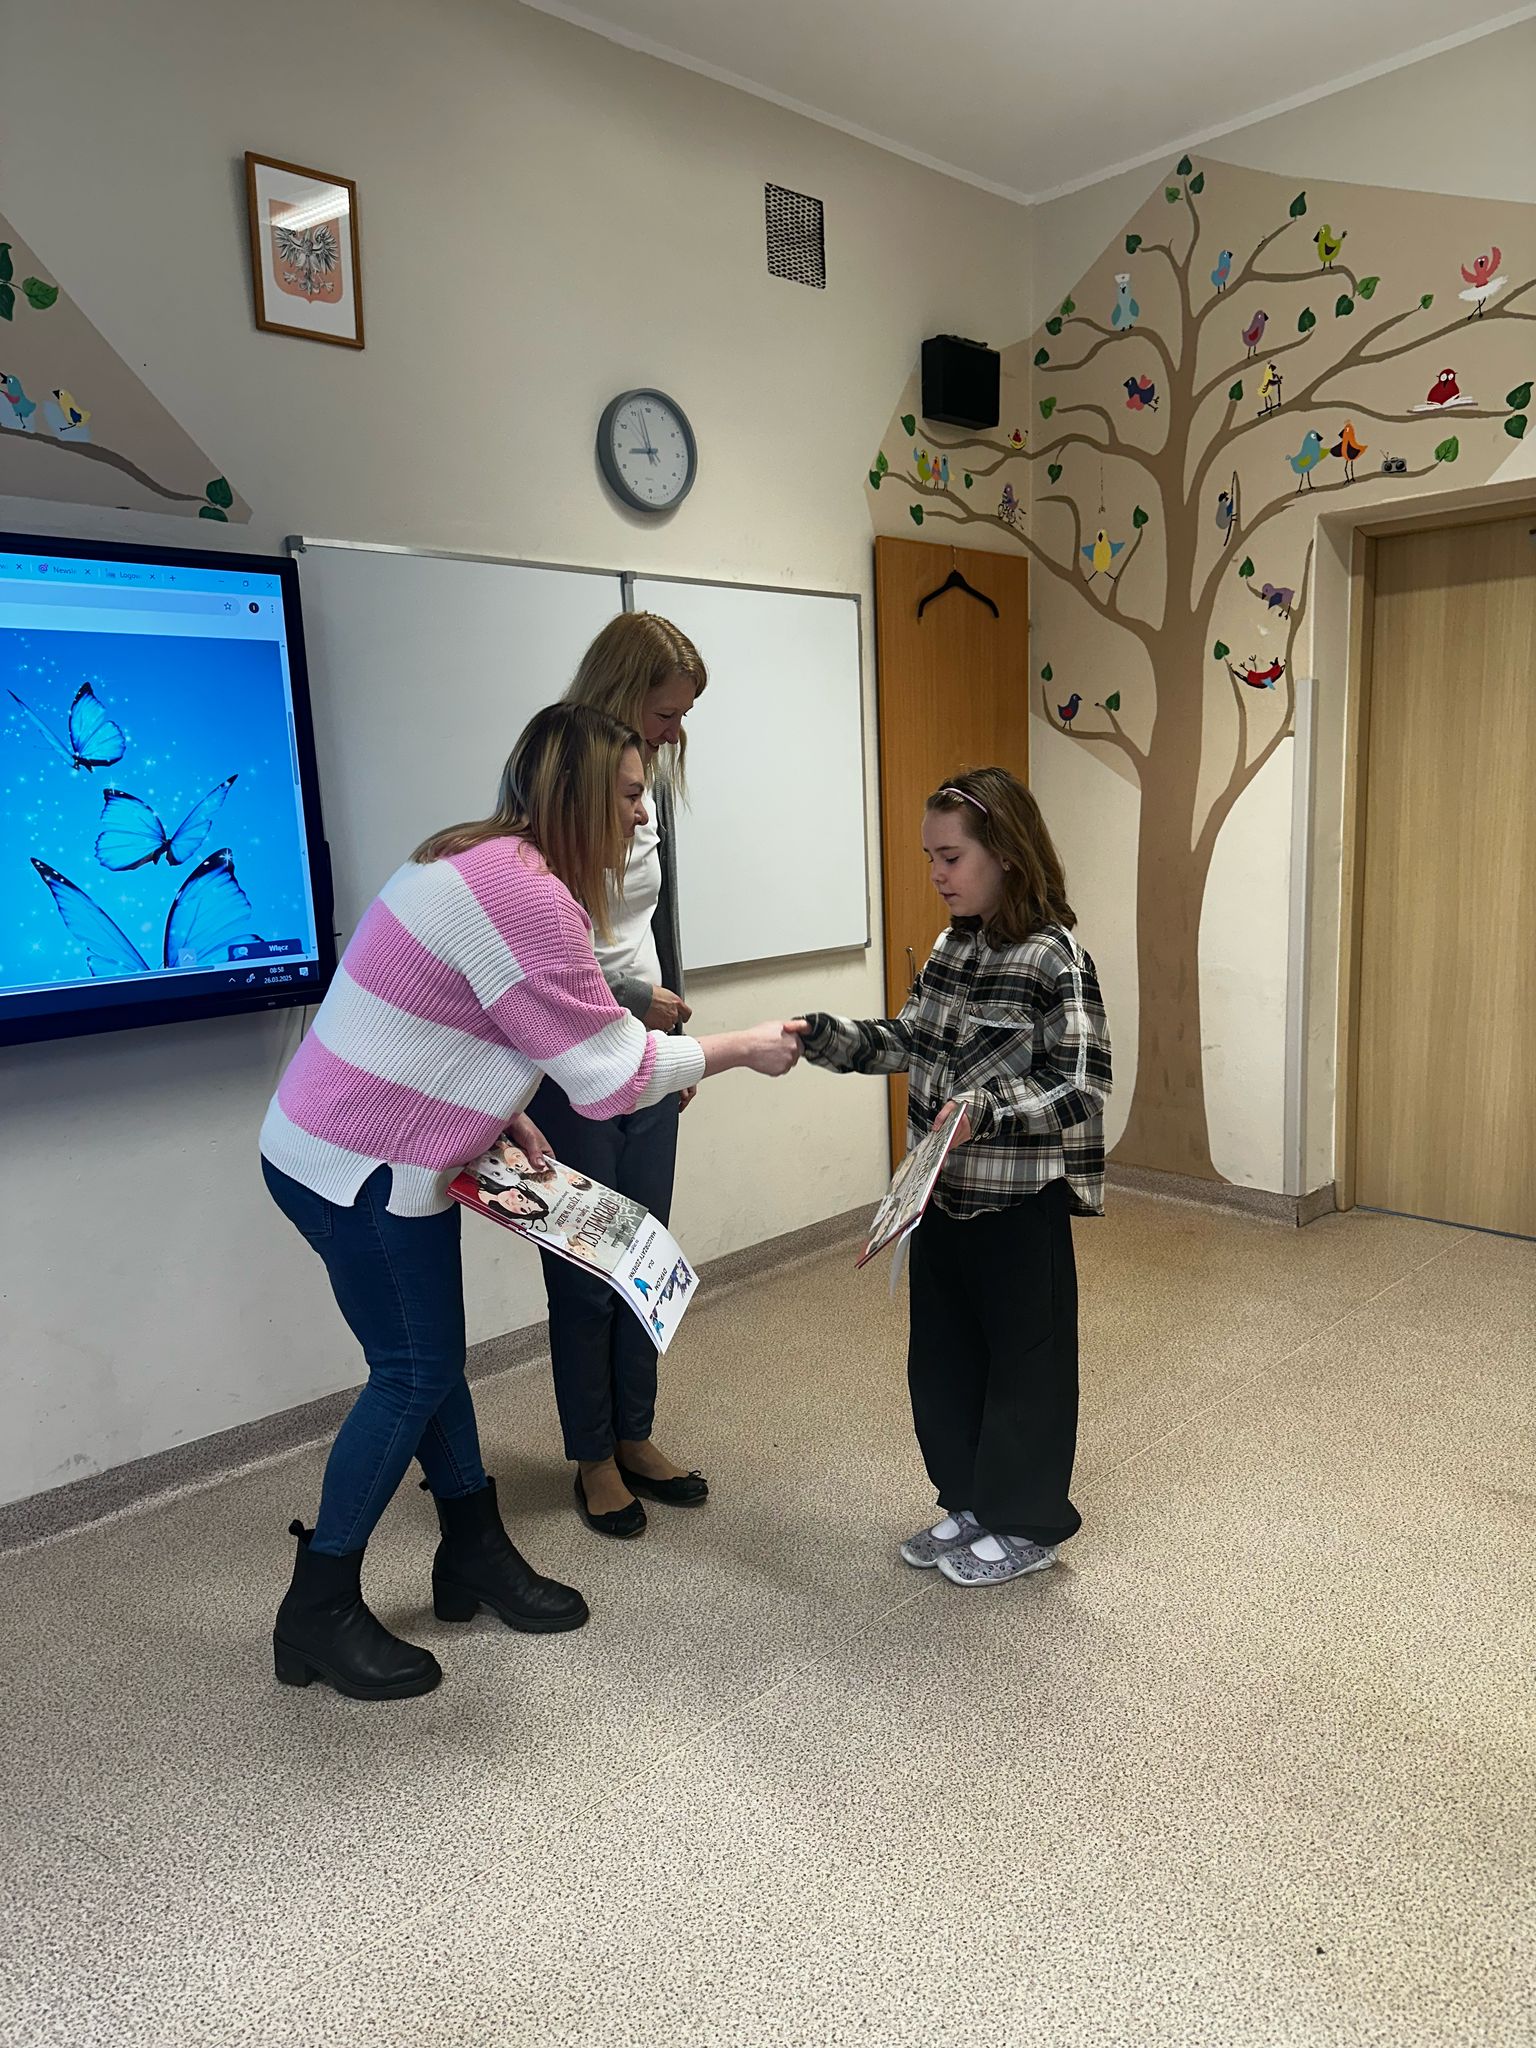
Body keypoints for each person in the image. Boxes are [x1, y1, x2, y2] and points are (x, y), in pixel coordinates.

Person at [259, 703, 803, 1701]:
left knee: (426, 1363)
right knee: (413, 1370)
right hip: (356, 1165)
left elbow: (440, 1012)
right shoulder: (532, 897)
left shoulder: (475, 857)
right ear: (583, 795)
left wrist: (497, 1106)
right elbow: (612, 1076)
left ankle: (473, 1550)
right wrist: (743, 1047)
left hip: (348, 1144)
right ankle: (319, 1605)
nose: (643, 815)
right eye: (630, 794)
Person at [796, 767, 1111, 1587]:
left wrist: (988, 1110)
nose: (937, 874)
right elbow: (909, 1039)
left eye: (951, 857)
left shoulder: (1055, 957)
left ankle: (1027, 1523)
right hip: (939, 1201)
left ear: (1005, 852)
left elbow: (1083, 1082)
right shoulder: (949, 948)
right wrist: (823, 1037)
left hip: (1017, 1206)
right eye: (930, 858)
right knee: (943, 1364)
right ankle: (970, 1502)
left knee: (1026, 1369)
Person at [527, 614, 712, 1539]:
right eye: (665, 713)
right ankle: (592, 1458)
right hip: (573, 1059)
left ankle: (635, 1435)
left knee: (643, 1254)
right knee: (586, 1267)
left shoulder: (647, 796)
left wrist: (676, 1043)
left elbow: (652, 926)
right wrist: (639, 1002)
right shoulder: (553, 797)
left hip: (642, 1049)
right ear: (621, 693)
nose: (673, 735)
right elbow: (549, 956)